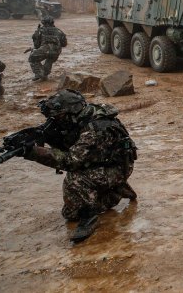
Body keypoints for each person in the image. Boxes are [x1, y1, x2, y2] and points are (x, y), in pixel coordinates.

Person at [21, 89, 137, 242]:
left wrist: (33, 152)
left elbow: (70, 161)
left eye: (59, 116)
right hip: (105, 162)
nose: (56, 120)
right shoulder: (83, 116)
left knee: (76, 180)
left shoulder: (94, 128)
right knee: (69, 214)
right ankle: (115, 189)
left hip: (118, 168)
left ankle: (89, 217)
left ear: (71, 112)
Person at [29, 16, 67, 81]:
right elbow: (64, 44)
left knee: (32, 58)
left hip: (44, 50)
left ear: (43, 23)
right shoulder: (59, 31)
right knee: (49, 60)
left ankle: (40, 74)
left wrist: (36, 49)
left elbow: (36, 45)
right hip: (56, 52)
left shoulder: (40, 31)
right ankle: (44, 74)